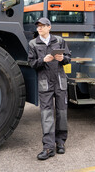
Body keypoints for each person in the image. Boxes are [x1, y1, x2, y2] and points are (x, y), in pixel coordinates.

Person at [28, 17, 71, 160]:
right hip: (45, 83)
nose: (39, 28)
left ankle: (60, 142)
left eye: (42, 25)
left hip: (59, 81)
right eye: (38, 26)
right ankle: (48, 148)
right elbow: (31, 63)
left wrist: (62, 59)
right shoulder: (33, 43)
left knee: (61, 113)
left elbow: (68, 58)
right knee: (46, 115)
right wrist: (42, 60)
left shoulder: (59, 41)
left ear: (49, 27)